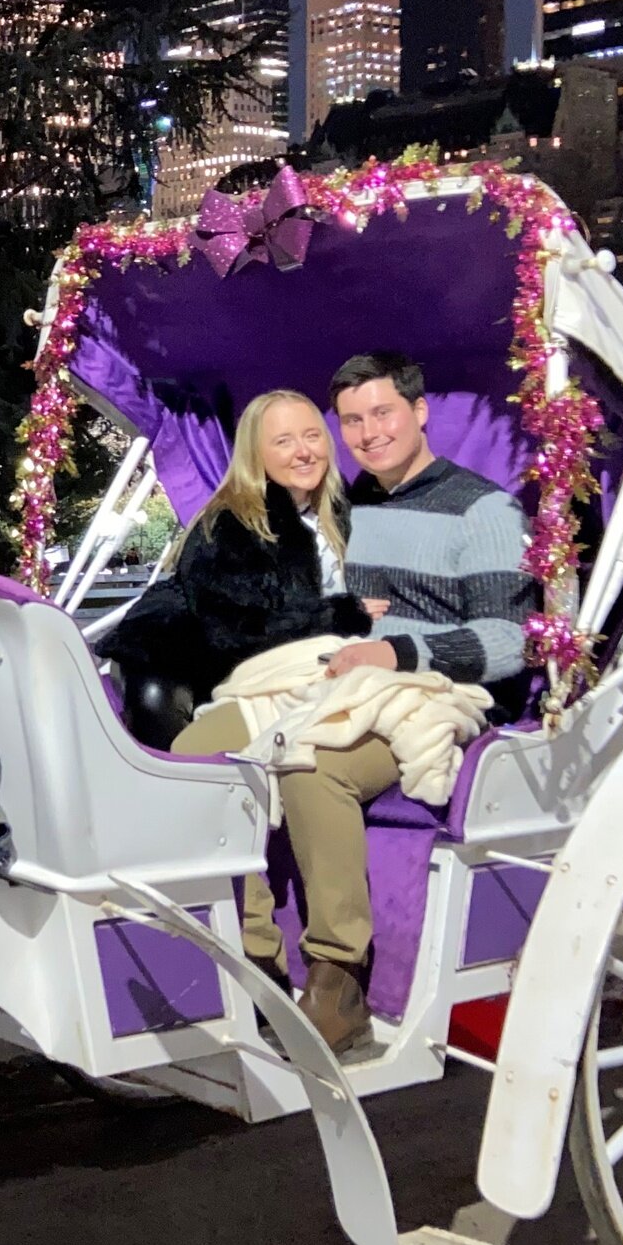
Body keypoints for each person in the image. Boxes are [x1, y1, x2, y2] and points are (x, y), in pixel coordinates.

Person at [173, 351, 532, 1055]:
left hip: (429, 689)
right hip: (329, 677)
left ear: (420, 411)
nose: (369, 433)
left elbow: (509, 639)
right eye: (353, 421)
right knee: (202, 751)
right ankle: (251, 955)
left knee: (314, 765)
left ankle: (340, 979)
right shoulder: (344, 505)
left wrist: (397, 652)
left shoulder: (484, 508)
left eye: (384, 413)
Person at [97, 390, 376, 750]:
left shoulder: (344, 512)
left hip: (310, 664)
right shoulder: (229, 525)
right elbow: (234, 631)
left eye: (312, 436)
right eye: (283, 441)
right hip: (199, 663)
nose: (304, 452)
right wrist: (337, 616)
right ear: (255, 453)